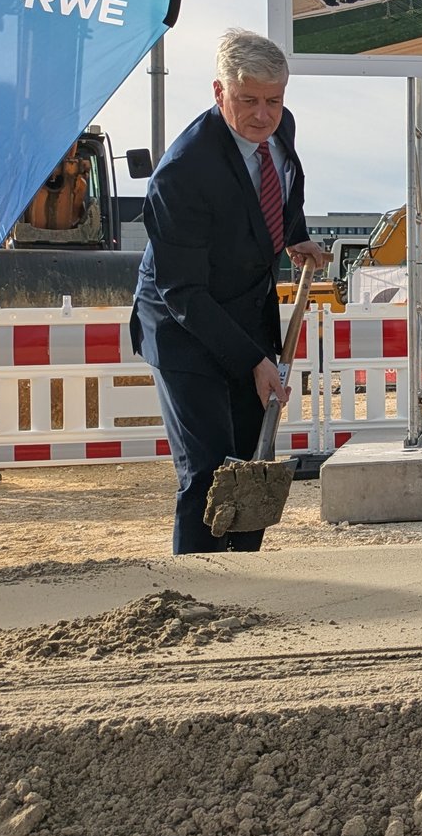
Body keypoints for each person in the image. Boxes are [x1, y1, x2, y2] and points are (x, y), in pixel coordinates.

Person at [132, 29, 328, 554]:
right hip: (183, 327)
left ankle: (247, 580)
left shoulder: (279, 126)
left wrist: (294, 233)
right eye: (248, 101)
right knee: (209, 470)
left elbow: (282, 180)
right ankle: (198, 594)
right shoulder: (183, 174)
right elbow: (183, 291)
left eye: (273, 100)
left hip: (245, 313)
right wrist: (253, 361)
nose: (264, 115)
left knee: (252, 459)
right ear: (219, 92)